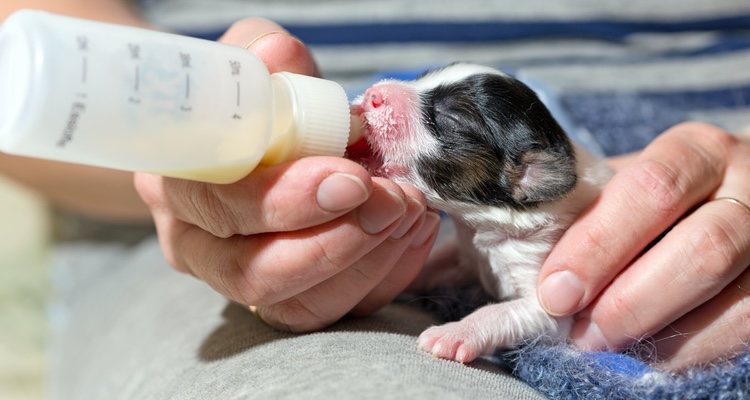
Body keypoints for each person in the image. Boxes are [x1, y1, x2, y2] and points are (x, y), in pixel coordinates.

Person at [2, 0, 749, 395]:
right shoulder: (488, 202)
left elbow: (543, 302)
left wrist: (488, 318)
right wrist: (176, 140)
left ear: (527, 180)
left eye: (440, 113)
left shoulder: (538, 209)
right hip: (167, 241)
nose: (384, 96)